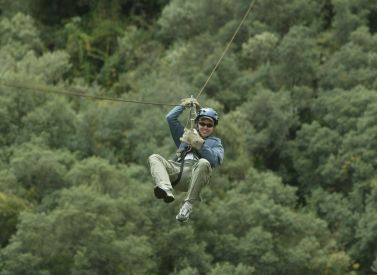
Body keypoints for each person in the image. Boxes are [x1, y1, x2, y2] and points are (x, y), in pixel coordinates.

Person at [148, 98, 224, 222]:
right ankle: (165, 188)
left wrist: (199, 143)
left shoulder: (216, 144)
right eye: (202, 123)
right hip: (178, 171)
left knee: (204, 162)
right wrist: (183, 105)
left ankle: (187, 206)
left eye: (209, 125)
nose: (205, 127)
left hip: (194, 177)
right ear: (197, 123)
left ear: (213, 127)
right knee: (154, 158)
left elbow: (214, 160)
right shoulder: (187, 135)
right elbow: (170, 118)